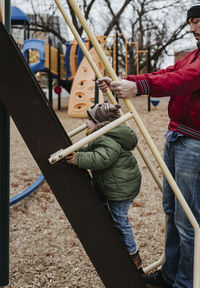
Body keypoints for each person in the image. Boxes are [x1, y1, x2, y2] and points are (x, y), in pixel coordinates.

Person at [97, 4, 200, 288]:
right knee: (171, 210)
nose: (192, 29)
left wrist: (139, 89)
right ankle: (171, 275)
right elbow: (167, 72)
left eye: (197, 22)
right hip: (177, 137)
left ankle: (186, 283)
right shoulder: (192, 55)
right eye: (190, 23)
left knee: (188, 218)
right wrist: (125, 82)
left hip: (195, 143)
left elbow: (183, 80)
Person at [66, 102, 143, 270]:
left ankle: (133, 254)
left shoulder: (106, 138)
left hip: (120, 189)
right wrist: (79, 152)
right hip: (114, 183)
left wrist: (78, 158)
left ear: (99, 123)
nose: (86, 123)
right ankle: (102, 206)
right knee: (96, 191)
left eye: (89, 119)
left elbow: (102, 159)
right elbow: (92, 149)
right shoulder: (105, 134)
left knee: (120, 220)